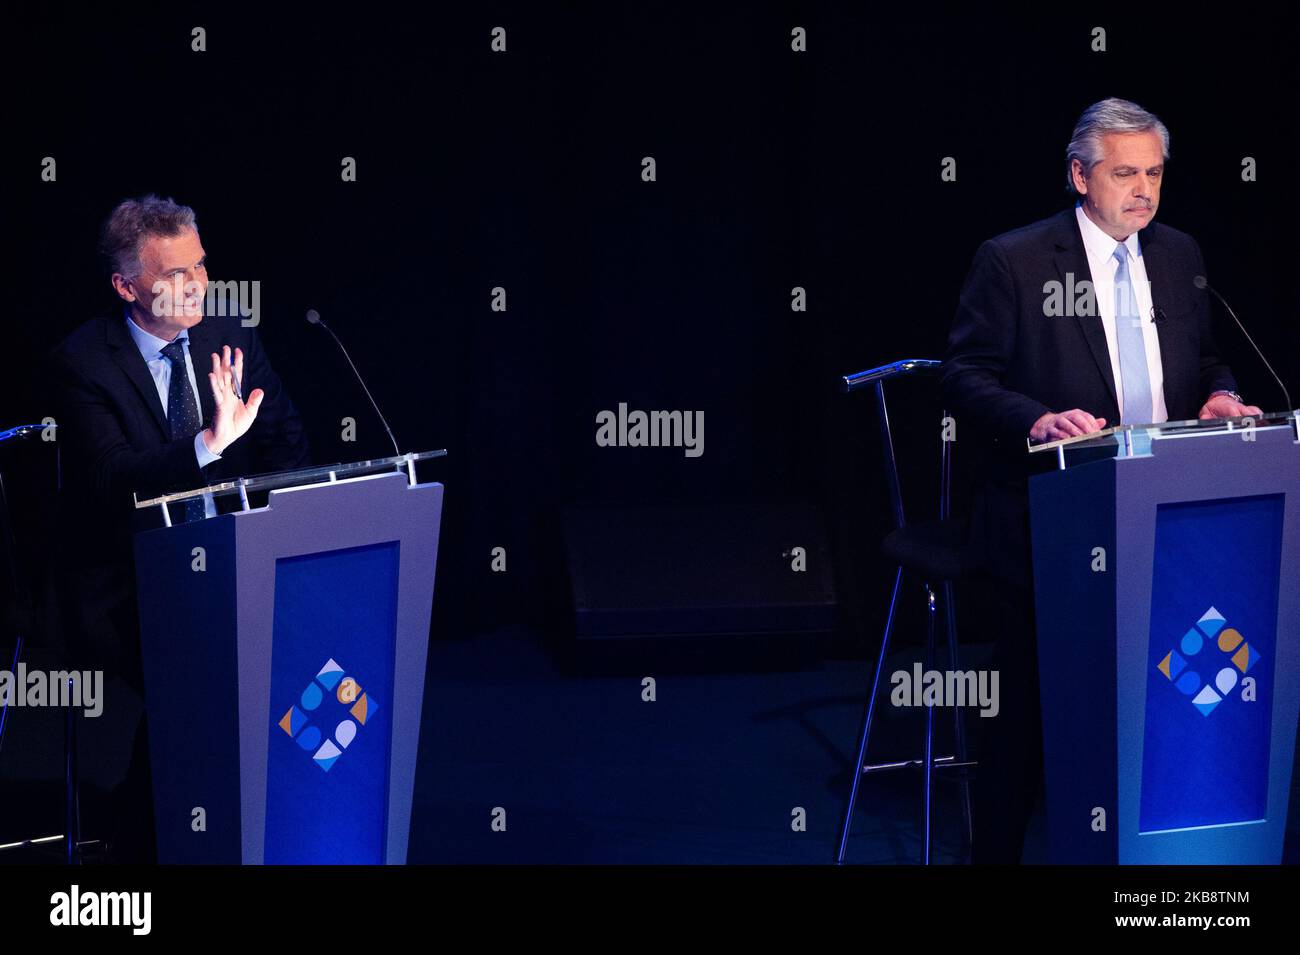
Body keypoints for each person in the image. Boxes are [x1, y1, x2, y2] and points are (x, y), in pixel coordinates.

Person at [940, 98, 1261, 863]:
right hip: (1053, 516)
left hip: (1166, 516)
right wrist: (1035, 420)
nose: (1143, 191)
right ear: (1080, 174)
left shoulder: (1179, 254)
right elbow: (962, 374)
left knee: (1168, 699)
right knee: (1027, 715)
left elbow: (1207, 356)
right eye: (1125, 174)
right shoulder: (1015, 259)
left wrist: (1219, 393)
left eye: (1153, 173)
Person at [46, 194, 310, 862]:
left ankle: (239, 824)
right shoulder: (83, 363)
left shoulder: (232, 334)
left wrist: (284, 537)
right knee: (208, 667)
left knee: (287, 643)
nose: (198, 286)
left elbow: (287, 446)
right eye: (175, 276)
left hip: (232, 560)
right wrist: (206, 445)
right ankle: (151, 840)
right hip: (124, 579)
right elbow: (111, 479)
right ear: (127, 285)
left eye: (201, 266)